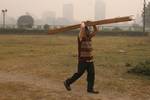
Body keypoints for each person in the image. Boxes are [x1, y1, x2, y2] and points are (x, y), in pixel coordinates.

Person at [64, 21, 99, 94]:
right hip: (82, 60)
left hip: (90, 60)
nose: (88, 32)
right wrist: (83, 23)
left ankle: (90, 89)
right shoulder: (80, 38)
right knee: (79, 74)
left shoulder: (89, 37)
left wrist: (93, 24)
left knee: (91, 74)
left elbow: (96, 30)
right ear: (84, 32)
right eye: (86, 31)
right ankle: (67, 82)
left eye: (88, 30)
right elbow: (82, 28)